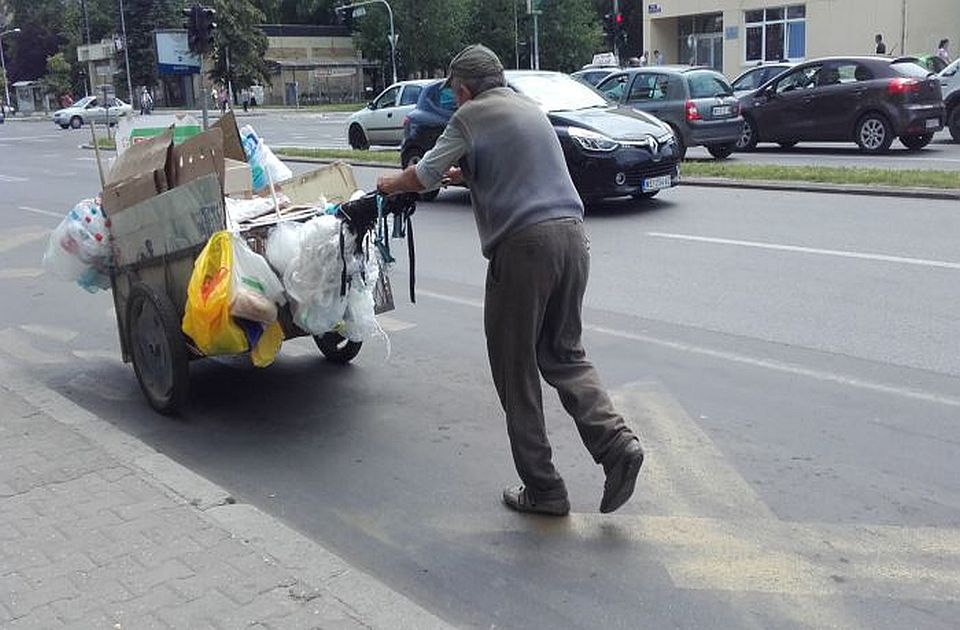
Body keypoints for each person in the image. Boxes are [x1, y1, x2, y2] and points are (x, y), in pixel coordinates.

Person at [375, 44, 644, 517]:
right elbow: (515, 169)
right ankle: (618, 446)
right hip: (573, 238)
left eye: (455, 94)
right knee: (564, 355)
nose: (456, 102)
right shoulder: (527, 107)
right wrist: (468, 175)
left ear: (463, 89)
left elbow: (425, 175)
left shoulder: (470, 115)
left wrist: (391, 184)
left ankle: (545, 489)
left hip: (524, 249)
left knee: (515, 370)